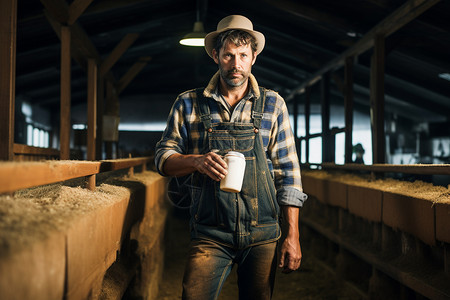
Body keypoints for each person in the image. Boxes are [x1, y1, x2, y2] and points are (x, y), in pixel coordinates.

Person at [155, 15, 308, 300]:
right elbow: (163, 157)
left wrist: (293, 236)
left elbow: (289, 173)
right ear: (216, 56)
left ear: (253, 58)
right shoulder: (188, 102)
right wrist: (195, 161)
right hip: (210, 232)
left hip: (262, 233)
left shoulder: (272, 104)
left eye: (242, 55)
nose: (235, 64)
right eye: (228, 55)